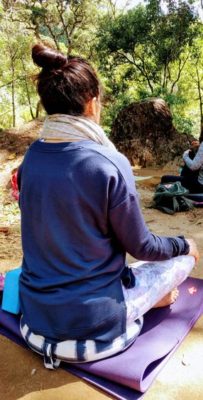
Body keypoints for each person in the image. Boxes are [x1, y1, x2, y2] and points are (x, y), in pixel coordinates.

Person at [18, 44, 199, 369]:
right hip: (96, 333)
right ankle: (151, 299)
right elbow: (142, 246)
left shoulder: (31, 158)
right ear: (92, 102)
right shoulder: (109, 162)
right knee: (180, 261)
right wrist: (184, 243)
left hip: (35, 325)